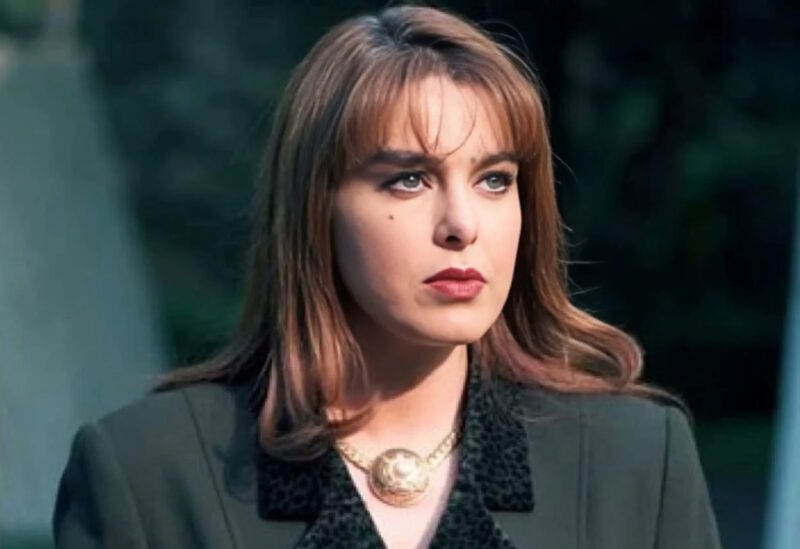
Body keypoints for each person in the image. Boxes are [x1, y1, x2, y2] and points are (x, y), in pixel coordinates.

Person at [52, 4, 722, 548]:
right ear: (317, 209)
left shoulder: (636, 460)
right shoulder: (147, 475)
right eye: (409, 179)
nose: (461, 224)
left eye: (494, 180)